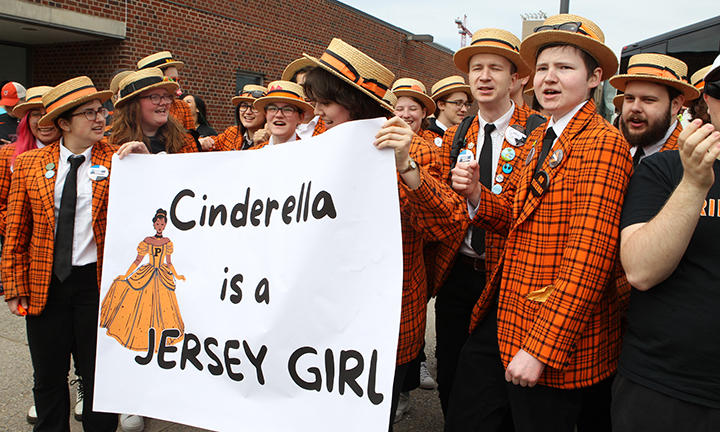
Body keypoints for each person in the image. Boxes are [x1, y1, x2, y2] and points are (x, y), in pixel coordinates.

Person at [440, 14, 632, 431]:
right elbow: (510, 213)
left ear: (594, 76)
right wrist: (475, 194)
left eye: (564, 68)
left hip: (551, 336)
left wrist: (541, 349)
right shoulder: (540, 136)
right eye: (543, 68)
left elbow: (590, 259)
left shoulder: (603, 143)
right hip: (504, 312)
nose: (549, 78)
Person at [302, 38, 461, 431]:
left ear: (352, 100)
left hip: (383, 316)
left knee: (371, 418)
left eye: (325, 101)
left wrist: (406, 166)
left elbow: (446, 224)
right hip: (326, 313)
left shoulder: (414, 150)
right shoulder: (318, 146)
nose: (318, 111)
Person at [421, 28, 540, 427]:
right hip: (460, 273)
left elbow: (522, 213)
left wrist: (477, 194)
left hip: (508, 277)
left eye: (495, 68)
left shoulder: (540, 132)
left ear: (516, 78)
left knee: (504, 384)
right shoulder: (458, 134)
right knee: (453, 372)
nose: (484, 76)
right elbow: (441, 204)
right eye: (476, 68)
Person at [2, 75, 118, 432]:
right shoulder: (30, 164)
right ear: (64, 123)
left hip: (94, 285)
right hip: (45, 282)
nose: (99, 119)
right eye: (88, 113)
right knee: (48, 374)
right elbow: (16, 229)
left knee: (97, 374)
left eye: (101, 111)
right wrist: (12, 284)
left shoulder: (120, 160)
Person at [613, 55, 720, 431]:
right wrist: (693, 183)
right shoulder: (666, 167)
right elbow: (639, 271)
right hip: (662, 385)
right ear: (707, 100)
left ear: (678, 106)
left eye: (649, 99)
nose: (636, 108)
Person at [0, 85, 76, 424]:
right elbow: (7, 213)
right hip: (36, 263)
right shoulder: (12, 157)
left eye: (47, 113)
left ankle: (84, 387)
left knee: (84, 345)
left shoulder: (96, 156)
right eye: (33, 113)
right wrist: (32, 222)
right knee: (47, 353)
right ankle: (45, 395)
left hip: (82, 268)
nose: (41, 120)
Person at [100, 208, 186, 351]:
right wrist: (126, 275)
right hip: (148, 274)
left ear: (165, 226)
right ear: (154, 225)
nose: (160, 227)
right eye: (158, 224)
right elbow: (138, 260)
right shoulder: (147, 241)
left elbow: (169, 262)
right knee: (142, 306)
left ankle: (161, 338)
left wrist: (177, 276)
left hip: (162, 276)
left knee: (162, 307)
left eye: (162, 225)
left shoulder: (167, 242)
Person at [609, 53, 700, 165]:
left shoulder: (691, 162)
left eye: (648, 100)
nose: (635, 108)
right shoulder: (613, 148)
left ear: (675, 105)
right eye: (630, 98)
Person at [109, 68, 198, 154]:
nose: (164, 102)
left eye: (166, 96)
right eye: (154, 97)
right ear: (134, 105)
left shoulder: (185, 141)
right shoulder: (111, 142)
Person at [137, 51, 195, 131]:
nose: (177, 84)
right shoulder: (133, 108)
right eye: (172, 80)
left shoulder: (181, 106)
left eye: (178, 80)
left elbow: (192, 138)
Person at [201, 84, 268, 151]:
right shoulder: (232, 133)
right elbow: (208, 143)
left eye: (254, 107)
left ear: (266, 112)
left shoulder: (272, 139)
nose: (248, 112)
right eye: (244, 106)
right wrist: (202, 142)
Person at [251, 80, 313, 147]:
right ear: (266, 114)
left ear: (301, 117)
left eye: (287, 110)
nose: (279, 115)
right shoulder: (254, 153)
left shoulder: (310, 153)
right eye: (273, 109)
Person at [282, 57, 327, 139]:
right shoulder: (277, 125)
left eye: (312, 87)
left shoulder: (330, 125)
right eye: (302, 87)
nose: (307, 93)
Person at [426, 76, 473, 144]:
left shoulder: (466, 136)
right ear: (441, 105)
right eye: (458, 103)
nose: (464, 109)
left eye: (466, 104)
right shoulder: (427, 137)